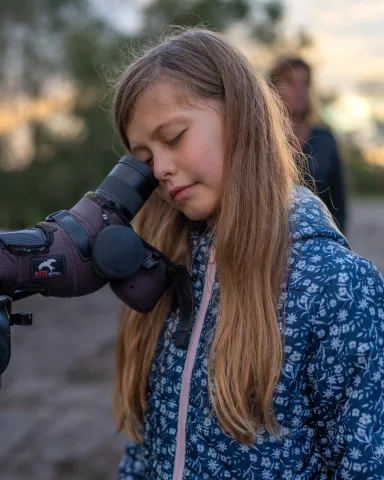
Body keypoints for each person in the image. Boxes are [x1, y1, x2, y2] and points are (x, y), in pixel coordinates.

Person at [110, 29, 384, 479]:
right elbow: (143, 448)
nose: (159, 168)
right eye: (144, 157)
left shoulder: (338, 287)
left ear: (239, 116)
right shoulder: (166, 272)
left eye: (174, 137)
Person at [270, 57, 348, 234]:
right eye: (290, 83)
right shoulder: (261, 138)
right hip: (270, 239)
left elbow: (338, 201)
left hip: (319, 237)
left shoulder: (325, 139)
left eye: (305, 83)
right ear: (273, 88)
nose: (299, 90)